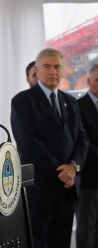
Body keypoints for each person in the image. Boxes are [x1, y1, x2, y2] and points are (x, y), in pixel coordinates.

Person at [11, 48, 88, 248]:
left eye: (57, 67)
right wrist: (61, 172)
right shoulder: (22, 101)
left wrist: (73, 168)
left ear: (62, 70)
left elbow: (81, 139)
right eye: (47, 66)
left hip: (67, 190)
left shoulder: (70, 102)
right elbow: (28, 144)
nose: (53, 71)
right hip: (39, 190)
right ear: (37, 70)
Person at [76, 64, 98, 248]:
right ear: (89, 80)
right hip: (89, 179)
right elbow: (83, 142)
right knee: (86, 229)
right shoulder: (78, 106)